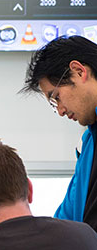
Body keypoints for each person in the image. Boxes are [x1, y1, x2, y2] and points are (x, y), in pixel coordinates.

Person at [22, 35, 97, 231]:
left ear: (79, 71)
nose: (61, 111)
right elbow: (68, 216)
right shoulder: (89, 142)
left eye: (56, 97)